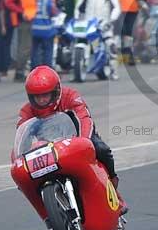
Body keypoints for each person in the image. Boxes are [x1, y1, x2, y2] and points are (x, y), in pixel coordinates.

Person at [17, 65, 126, 211]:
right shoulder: (26, 111)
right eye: (37, 96)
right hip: (48, 147)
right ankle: (49, 213)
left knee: (101, 149)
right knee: (28, 179)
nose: (42, 100)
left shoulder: (70, 96)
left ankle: (114, 192)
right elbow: (21, 138)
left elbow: (84, 119)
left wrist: (84, 142)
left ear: (55, 91)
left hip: (78, 138)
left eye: (45, 95)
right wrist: (18, 161)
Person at [75, 0, 121, 80]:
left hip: (104, 23)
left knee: (111, 44)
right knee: (81, 42)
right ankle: (77, 67)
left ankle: (113, 71)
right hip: (88, 23)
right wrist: (77, 19)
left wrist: (111, 20)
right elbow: (78, 7)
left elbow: (116, 8)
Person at [4, 0, 36, 82]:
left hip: (30, 19)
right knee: (24, 48)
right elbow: (8, 2)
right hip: (23, 21)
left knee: (27, 47)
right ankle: (19, 71)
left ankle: (21, 70)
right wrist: (20, 11)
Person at [30, 0, 59, 70]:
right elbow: (54, 12)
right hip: (47, 30)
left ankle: (34, 70)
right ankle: (47, 71)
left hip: (34, 29)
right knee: (48, 51)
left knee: (34, 51)